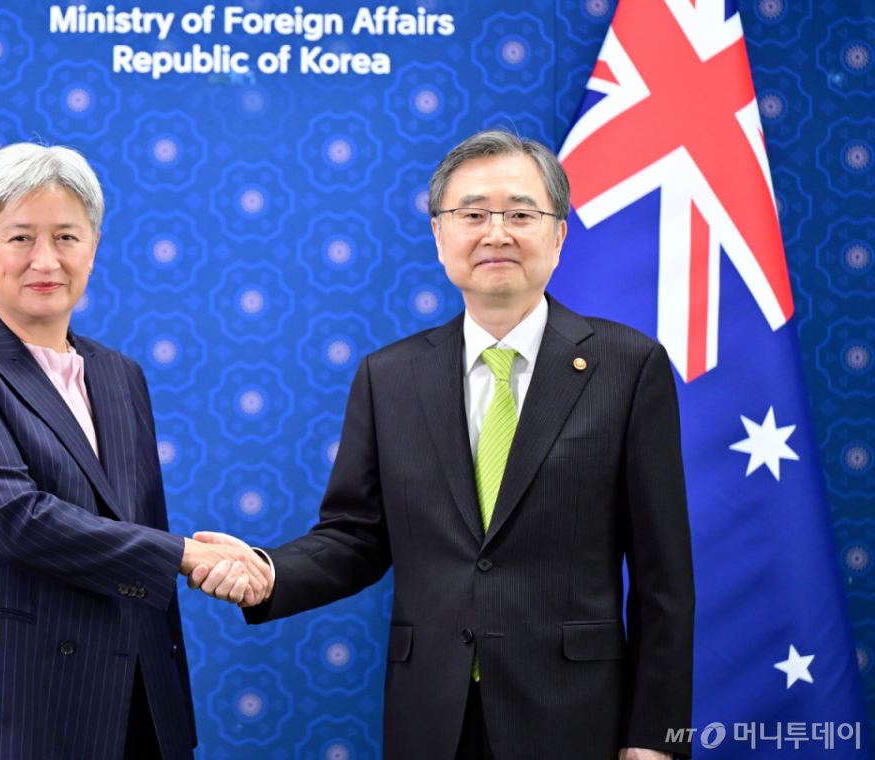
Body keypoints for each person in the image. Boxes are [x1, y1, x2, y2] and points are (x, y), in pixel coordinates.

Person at [197, 130, 695, 759]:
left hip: (575, 717)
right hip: (432, 716)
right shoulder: (390, 377)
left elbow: (663, 579)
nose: (496, 234)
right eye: (473, 215)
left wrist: (656, 740)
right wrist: (270, 571)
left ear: (559, 235)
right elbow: (355, 537)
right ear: (439, 234)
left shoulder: (628, 367)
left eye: (521, 215)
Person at [0, 143, 272, 760]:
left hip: (128, 702)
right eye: (20, 238)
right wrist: (184, 555)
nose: (45, 260)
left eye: (66, 237)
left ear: (92, 247)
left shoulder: (120, 375)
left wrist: (168, 704)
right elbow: (18, 521)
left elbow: (136, 525)